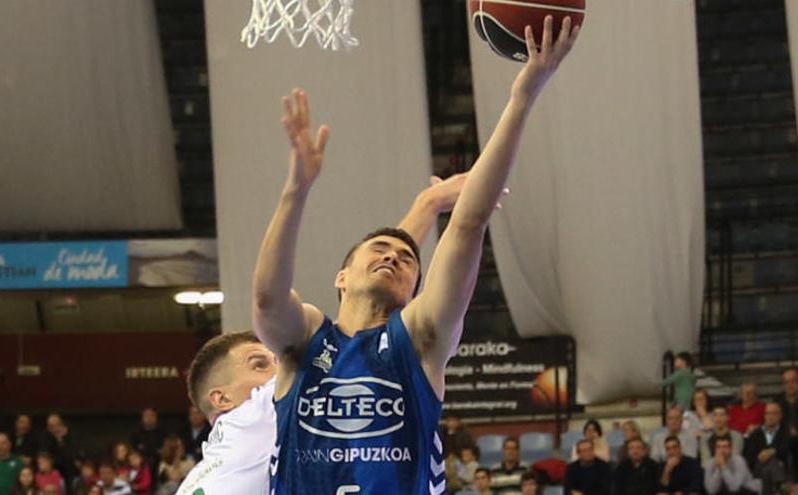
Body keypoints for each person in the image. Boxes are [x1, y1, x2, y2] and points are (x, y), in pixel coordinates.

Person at [253, 17, 580, 494]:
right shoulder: (305, 337)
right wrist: (296, 190)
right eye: (379, 250)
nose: (393, 258)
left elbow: (467, 226)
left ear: (414, 290)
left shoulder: (420, 340)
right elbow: (266, 301)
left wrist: (522, 97)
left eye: (408, 260)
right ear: (341, 277)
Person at [177, 160, 486, 494]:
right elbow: (361, 282)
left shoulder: (210, 465)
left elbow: (372, 272)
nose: (277, 365)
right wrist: (428, 206)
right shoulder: (256, 411)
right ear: (221, 399)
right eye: (260, 363)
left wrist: (426, 206)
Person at [743, 402, 789, 494]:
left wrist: (773, 451)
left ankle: (776, 487)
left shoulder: (786, 432)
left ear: (780, 416)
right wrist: (760, 457)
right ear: (764, 415)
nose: (770, 416)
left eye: (774, 413)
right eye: (767, 413)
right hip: (758, 467)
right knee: (771, 462)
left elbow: (788, 449)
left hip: (779, 468)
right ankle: (780, 486)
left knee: (770, 467)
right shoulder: (755, 434)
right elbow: (748, 456)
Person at [41, 414, 83, 486]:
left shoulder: (71, 436)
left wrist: (61, 440)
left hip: (71, 472)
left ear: (62, 425)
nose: (55, 428)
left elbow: (74, 456)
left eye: (57, 425)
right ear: (48, 428)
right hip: (54, 471)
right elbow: (49, 457)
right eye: (51, 426)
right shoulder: (46, 438)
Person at [774, 367, 798, 480]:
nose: (790, 385)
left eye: (793, 381)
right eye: (786, 382)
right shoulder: (777, 401)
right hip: (783, 439)